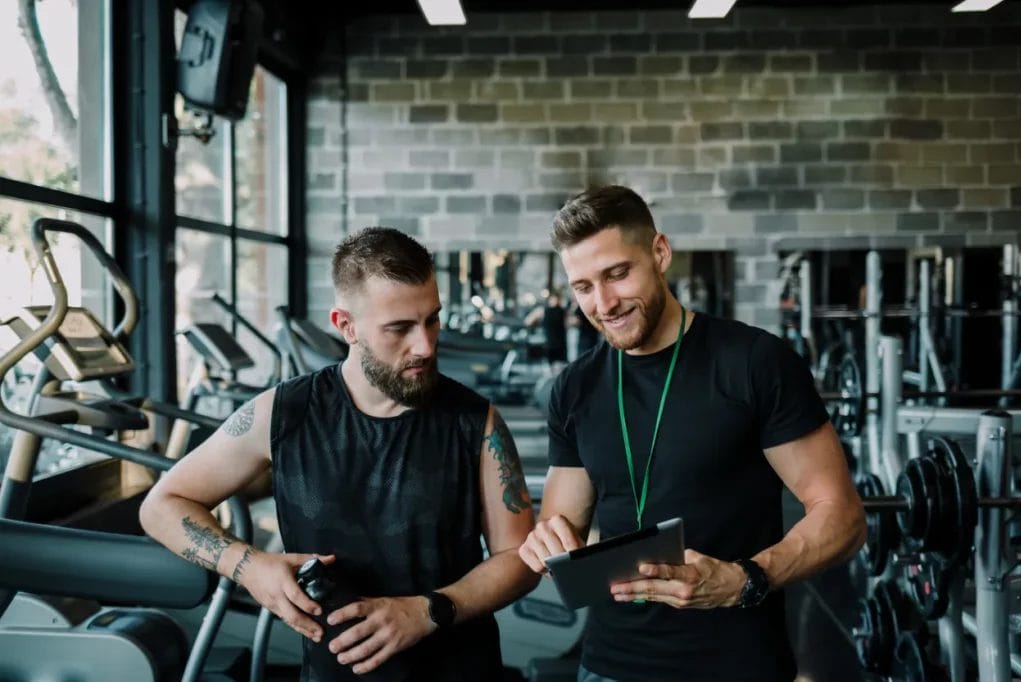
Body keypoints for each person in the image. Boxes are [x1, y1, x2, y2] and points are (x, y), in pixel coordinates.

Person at [141, 227, 539, 681]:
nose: (425, 345)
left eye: (432, 320)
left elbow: (520, 557)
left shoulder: (476, 421)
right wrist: (248, 566)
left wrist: (428, 611)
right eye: (400, 329)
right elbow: (161, 506)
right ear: (345, 326)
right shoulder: (283, 413)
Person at [517, 186, 866, 682]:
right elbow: (561, 525)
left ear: (660, 253)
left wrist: (745, 579)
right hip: (608, 665)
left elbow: (844, 516)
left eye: (618, 274)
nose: (605, 303)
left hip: (737, 665)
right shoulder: (574, 388)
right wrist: (547, 541)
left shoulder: (754, 363)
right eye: (584, 286)